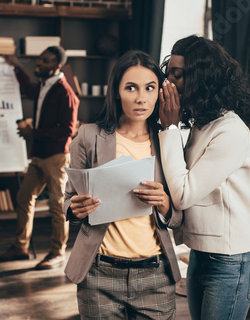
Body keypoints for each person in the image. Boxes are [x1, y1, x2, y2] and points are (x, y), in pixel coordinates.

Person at [64, 50, 182, 319]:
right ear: (117, 91)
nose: (141, 98)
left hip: (156, 275)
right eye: (131, 87)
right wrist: (74, 208)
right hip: (98, 276)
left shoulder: (169, 143)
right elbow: (68, 199)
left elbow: (179, 216)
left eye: (150, 88)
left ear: (159, 93)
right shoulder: (88, 136)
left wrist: (164, 203)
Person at [158, 35, 250, 320]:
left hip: (231, 261)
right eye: (169, 75)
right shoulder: (203, 124)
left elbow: (183, 193)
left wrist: (169, 128)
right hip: (201, 253)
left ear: (201, 77)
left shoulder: (231, 130)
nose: (170, 84)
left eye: (177, 76)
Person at [0, 46, 79, 270]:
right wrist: (17, 67)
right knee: (24, 197)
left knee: (58, 206)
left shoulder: (66, 93)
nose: (39, 64)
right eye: (39, 59)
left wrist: (33, 133)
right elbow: (30, 91)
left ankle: (58, 252)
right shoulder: (44, 85)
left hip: (57, 157)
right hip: (39, 154)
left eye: (45, 61)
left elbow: (67, 131)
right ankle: (21, 247)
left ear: (57, 66)